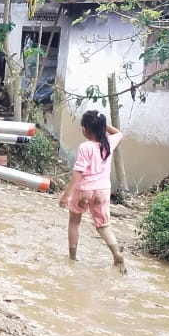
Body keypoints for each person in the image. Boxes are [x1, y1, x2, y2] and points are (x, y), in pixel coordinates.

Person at [59, 110, 126, 272]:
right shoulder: (109, 143)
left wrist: (66, 195)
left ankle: (73, 258)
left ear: (86, 130)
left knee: (74, 222)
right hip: (102, 190)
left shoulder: (85, 147)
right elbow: (119, 133)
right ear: (102, 128)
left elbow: (79, 172)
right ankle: (116, 253)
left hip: (84, 190)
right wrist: (102, 125)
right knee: (103, 226)